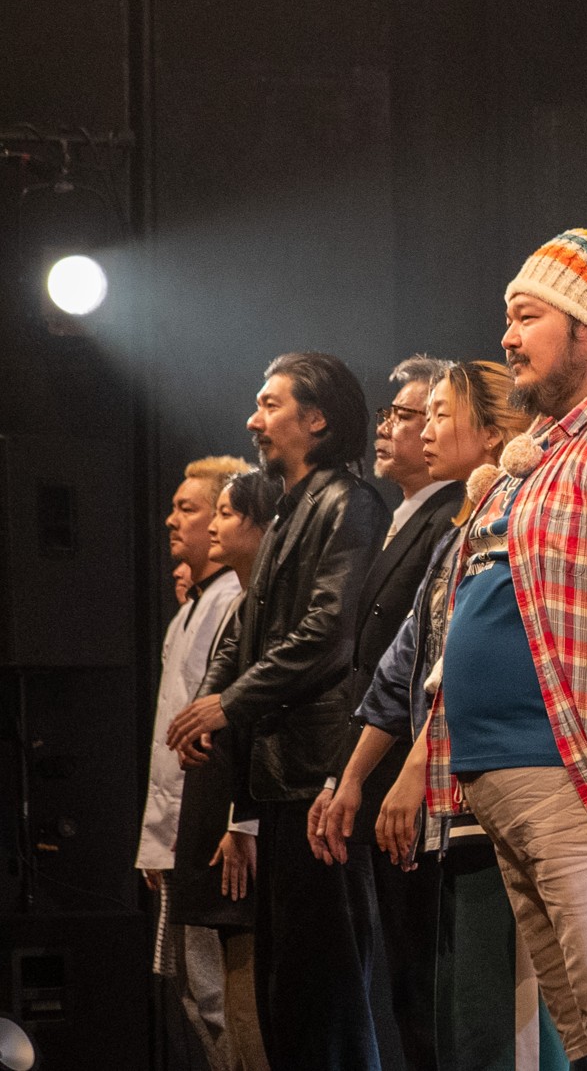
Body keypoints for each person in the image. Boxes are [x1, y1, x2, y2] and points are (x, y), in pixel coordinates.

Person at [423, 228, 587, 1071]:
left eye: (527, 317)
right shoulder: (550, 445)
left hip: (580, 773)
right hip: (511, 774)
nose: (506, 338)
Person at [328, 360, 565, 1069]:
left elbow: (472, 665)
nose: (424, 430)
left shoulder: (518, 517)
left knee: (506, 1023)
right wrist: (350, 777)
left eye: (440, 414)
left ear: (492, 433)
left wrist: (412, 770)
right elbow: (406, 660)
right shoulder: (458, 532)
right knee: (455, 1017)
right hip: (453, 803)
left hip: (497, 788)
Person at [167, 353, 390, 1071]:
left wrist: (229, 704)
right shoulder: (293, 506)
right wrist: (211, 707)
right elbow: (249, 627)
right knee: (286, 991)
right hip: (281, 776)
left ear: (316, 419)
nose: (253, 420)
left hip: (317, 772)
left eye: (270, 405)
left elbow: (329, 633)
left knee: (325, 989)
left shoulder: (349, 503)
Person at [305, 353, 459, 1071]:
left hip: (422, 775)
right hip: (382, 764)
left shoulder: (454, 518)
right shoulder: (405, 517)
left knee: (429, 983)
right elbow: (383, 665)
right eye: (393, 414)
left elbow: (434, 664)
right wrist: (345, 775)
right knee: (402, 982)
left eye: (422, 414)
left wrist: (401, 769)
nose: (398, 428)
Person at [142, 455, 251, 1067]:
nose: (172, 520)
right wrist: (156, 842)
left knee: (219, 997)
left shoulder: (232, 601)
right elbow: (173, 729)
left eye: (189, 508)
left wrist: (239, 821)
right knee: (190, 990)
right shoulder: (193, 606)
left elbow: (234, 721)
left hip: (209, 828)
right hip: (180, 833)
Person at [175, 468, 285, 1071]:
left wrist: (244, 822)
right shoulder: (242, 604)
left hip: (244, 823)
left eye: (224, 513)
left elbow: (264, 719)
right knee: (219, 993)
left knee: (246, 998)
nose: (213, 526)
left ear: (264, 526)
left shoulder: (270, 606)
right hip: (216, 815)